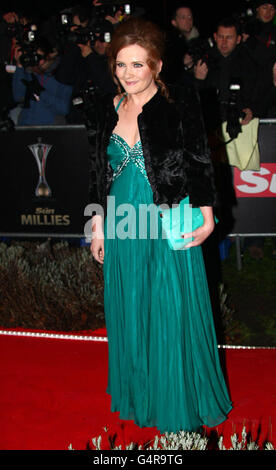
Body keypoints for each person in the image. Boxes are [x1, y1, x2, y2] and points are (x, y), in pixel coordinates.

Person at [89, 16, 232, 434]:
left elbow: (200, 164)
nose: (128, 74)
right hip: (122, 220)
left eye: (137, 65)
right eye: (120, 65)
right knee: (132, 306)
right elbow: (98, 172)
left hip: (167, 216)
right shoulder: (106, 108)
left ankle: (178, 402)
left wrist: (207, 216)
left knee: (170, 308)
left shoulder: (181, 103)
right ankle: (142, 395)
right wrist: (97, 225)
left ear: (156, 65)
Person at [12, 37, 73, 125]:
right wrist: (20, 66)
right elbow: (18, 97)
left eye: (39, 57)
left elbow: (65, 109)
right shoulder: (29, 71)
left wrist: (42, 93)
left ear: (49, 56)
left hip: (50, 128)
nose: (36, 62)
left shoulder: (61, 74)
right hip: (26, 126)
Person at [163, 4, 200, 85]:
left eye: (190, 17)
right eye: (183, 17)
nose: (188, 20)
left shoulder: (200, 41)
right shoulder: (169, 44)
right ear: (174, 22)